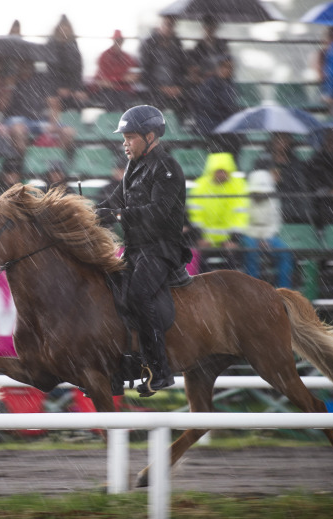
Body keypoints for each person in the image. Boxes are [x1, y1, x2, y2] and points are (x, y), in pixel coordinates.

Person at [95, 105, 191, 396]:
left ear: (150, 136)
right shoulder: (132, 169)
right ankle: (122, 366)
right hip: (136, 250)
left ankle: (160, 370)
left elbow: (159, 212)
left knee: (138, 294)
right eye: (124, 137)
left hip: (162, 249)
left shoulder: (167, 168)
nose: (125, 143)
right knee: (107, 290)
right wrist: (86, 216)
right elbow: (111, 204)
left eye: (131, 137)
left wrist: (121, 215)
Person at [3, 60, 75, 157]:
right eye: (23, 63)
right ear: (18, 64)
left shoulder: (42, 81)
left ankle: (53, 160)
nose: (26, 66)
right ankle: (25, 161)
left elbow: (54, 104)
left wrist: (53, 124)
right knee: (18, 131)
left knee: (68, 132)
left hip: (40, 120)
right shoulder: (10, 80)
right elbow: (2, 106)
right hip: (17, 118)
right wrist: (9, 86)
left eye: (28, 63)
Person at [239, 169, 293, 288]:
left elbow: (276, 222)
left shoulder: (274, 200)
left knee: (285, 253)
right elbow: (242, 223)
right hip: (249, 235)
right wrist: (258, 238)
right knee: (251, 252)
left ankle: (284, 290)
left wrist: (266, 239)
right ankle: (253, 290)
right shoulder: (244, 199)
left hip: (269, 236)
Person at [187, 152, 249, 250]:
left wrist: (234, 240)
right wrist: (199, 238)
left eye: (224, 171)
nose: (221, 174)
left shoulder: (239, 186)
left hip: (230, 240)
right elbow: (195, 215)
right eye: (218, 171)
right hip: (204, 240)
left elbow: (241, 216)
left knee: (242, 251)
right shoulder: (200, 186)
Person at [139, 15, 189, 122]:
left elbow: (182, 69)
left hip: (174, 87)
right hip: (154, 87)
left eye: (172, 25)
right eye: (167, 25)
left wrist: (178, 86)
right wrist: (161, 87)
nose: (169, 28)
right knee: (156, 101)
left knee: (188, 97)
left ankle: (180, 128)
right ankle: (153, 128)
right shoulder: (149, 44)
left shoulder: (177, 44)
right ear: (160, 26)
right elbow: (145, 73)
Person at [254, 133, 312, 224]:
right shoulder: (261, 163)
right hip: (266, 209)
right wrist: (267, 180)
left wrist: (282, 180)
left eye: (284, 139)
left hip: (290, 212)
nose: (280, 142)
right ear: (273, 142)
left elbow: (300, 191)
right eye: (277, 139)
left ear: (289, 142)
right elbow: (254, 187)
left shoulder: (297, 165)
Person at [191, 54, 241, 156]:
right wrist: (229, 114)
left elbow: (230, 105)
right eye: (224, 66)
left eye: (230, 67)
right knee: (228, 140)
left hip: (222, 123)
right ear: (218, 68)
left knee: (237, 137)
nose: (227, 70)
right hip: (209, 123)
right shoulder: (209, 85)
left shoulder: (230, 85)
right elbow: (208, 108)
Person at [45, 15, 88, 111]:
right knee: (57, 103)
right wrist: (58, 88)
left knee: (80, 102)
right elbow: (51, 71)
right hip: (54, 88)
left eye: (66, 27)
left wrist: (76, 89)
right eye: (62, 27)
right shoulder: (52, 44)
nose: (64, 29)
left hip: (71, 88)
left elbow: (78, 70)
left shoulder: (73, 45)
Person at [92, 30, 140, 112]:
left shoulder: (127, 57)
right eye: (116, 41)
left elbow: (134, 75)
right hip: (109, 91)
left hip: (123, 90)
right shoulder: (104, 56)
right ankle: (113, 121)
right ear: (113, 41)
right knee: (111, 98)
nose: (118, 43)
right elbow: (102, 80)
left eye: (120, 41)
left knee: (122, 99)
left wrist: (114, 81)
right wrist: (121, 79)